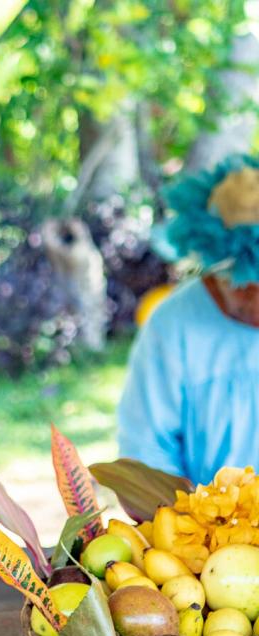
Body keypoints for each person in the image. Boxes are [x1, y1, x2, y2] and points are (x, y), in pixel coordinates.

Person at [118, 155, 259, 486]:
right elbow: (145, 453)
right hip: (207, 531)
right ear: (218, 271)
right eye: (245, 287)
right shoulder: (172, 325)